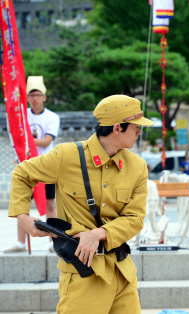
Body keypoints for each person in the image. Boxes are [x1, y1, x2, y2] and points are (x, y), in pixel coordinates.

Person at [8, 95, 154, 313]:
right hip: (84, 272)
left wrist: (98, 234)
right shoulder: (66, 156)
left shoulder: (137, 167)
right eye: (136, 127)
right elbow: (22, 173)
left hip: (123, 273)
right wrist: (23, 217)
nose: (140, 131)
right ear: (117, 128)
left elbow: (135, 219)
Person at [5, 76, 60, 254]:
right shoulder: (21, 115)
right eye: (31, 95)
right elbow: (15, 139)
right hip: (25, 168)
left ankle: (54, 242)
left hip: (47, 166)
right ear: (27, 97)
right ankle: (21, 243)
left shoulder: (52, 117)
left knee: (50, 205)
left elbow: (46, 141)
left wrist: (27, 140)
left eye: (38, 94)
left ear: (44, 97)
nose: (34, 98)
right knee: (22, 208)